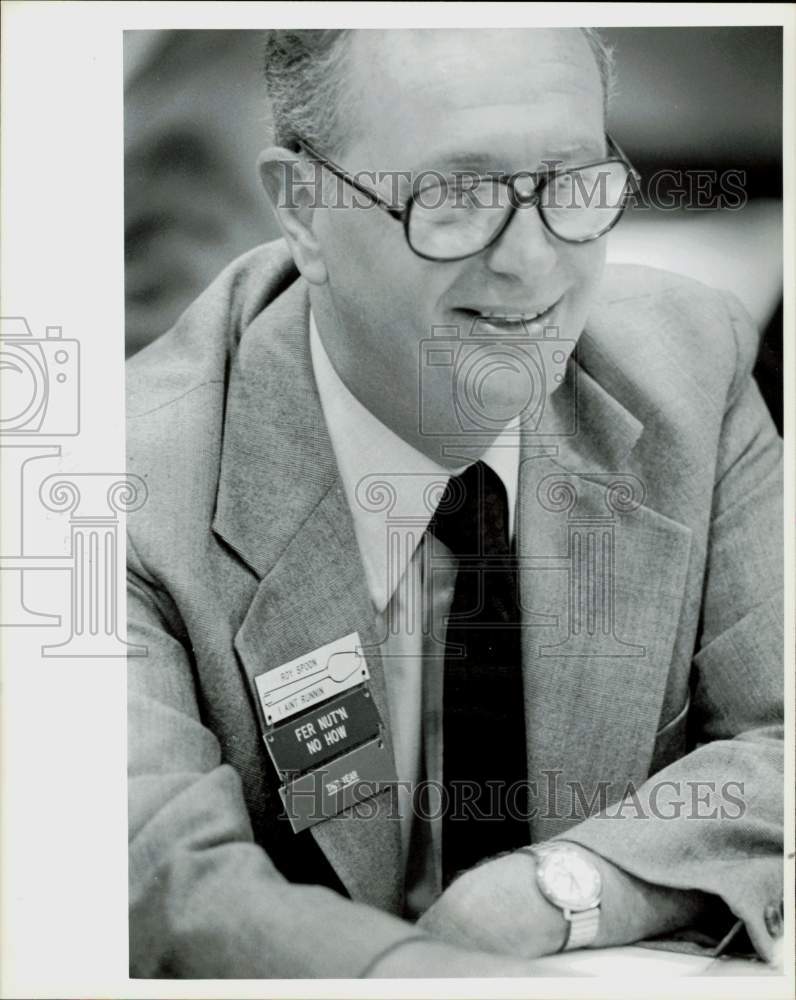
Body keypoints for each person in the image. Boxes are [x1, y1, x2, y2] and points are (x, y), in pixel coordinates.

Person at [126, 28, 783, 978]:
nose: (532, 264)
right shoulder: (124, 485)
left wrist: (561, 892)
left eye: (571, 184)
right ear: (303, 210)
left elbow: (781, 738)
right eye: (456, 196)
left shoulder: (693, 364)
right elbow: (167, 878)